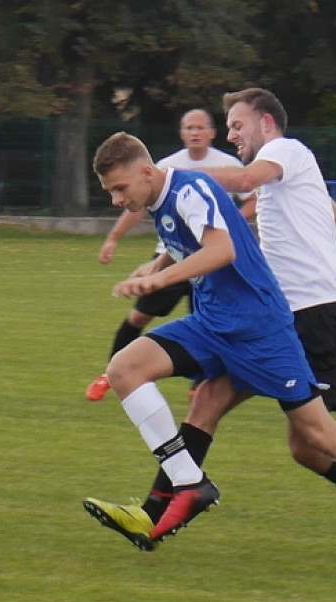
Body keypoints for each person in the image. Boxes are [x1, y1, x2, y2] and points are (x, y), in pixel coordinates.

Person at [86, 130, 336, 574]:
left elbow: (221, 250)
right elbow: (195, 239)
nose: (115, 200)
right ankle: (187, 483)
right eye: (110, 192)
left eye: (119, 189)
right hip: (212, 322)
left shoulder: (190, 187)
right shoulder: (163, 201)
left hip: (260, 329)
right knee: (127, 368)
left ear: (146, 172)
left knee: (318, 435)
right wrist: (159, 264)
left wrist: (159, 279)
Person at [85, 109, 255, 401]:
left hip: (210, 260)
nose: (195, 132)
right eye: (189, 127)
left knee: (204, 318)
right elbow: (137, 206)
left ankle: (200, 384)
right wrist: (146, 257)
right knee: (139, 315)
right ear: (181, 132)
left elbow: (250, 203)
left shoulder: (225, 165)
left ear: (212, 132)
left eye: (200, 127)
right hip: (175, 254)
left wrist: (231, 223)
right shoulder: (164, 167)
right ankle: (111, 373)